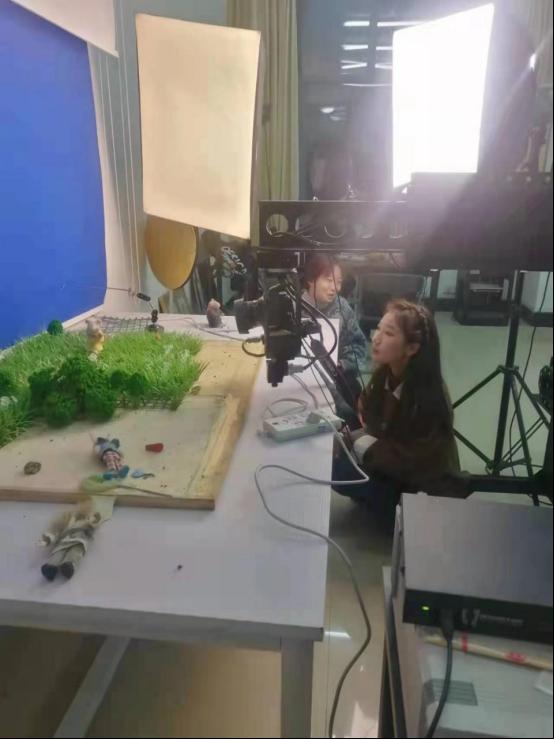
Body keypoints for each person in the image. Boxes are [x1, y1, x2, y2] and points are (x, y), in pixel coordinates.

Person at [334, 300, 467, 528]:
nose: (376, 338)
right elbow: (374, 422)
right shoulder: (386, 374)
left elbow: (418, 463)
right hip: (394, 469)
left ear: (412, 348)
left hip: (421, 490)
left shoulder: (428, 398)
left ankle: (395, 515)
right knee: (336, 456)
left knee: (339, 469)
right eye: (378, 329)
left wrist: (363, 445)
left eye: (389, 333)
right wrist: (349, 439)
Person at [302, 254, 368, 385]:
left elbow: (358, 346)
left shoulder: (342, 308)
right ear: (311, 279)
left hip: (335, 377)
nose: (335, 288)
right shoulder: (293, 307)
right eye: (329, 280)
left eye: (338, 282)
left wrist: (342, 365)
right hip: (300, 376)